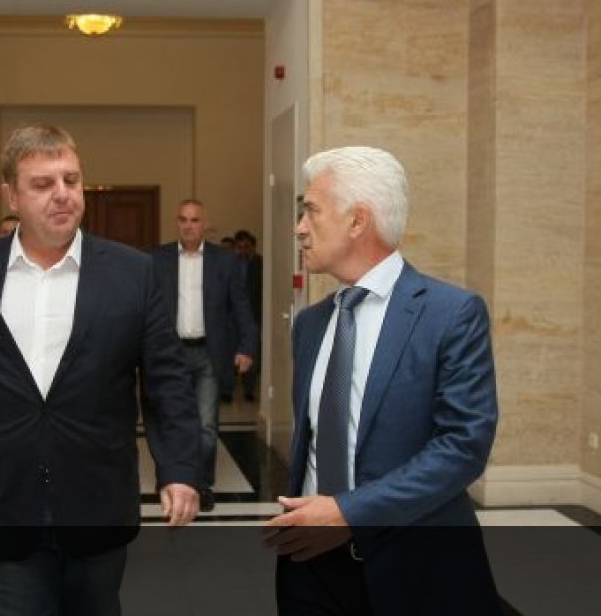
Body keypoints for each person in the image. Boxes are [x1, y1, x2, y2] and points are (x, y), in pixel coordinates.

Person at [0, 124, 200, 616]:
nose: (62, 194)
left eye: (71, 180)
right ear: (11, 196)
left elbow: (167, 380)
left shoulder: (133, 273)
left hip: (96, 504)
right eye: (43, 184)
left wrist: (179, 469)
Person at [264, 147, 500, 615]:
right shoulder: (309, 325)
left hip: (413, 572)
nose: (299, 228)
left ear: (358, 221)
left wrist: (349, 513)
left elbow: (463, 447)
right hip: (309, 571)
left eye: (311, 211)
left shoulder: (451, 315)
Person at [150, 199, 257, 511]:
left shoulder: (225, 261)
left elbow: (240, 306)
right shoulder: (157, 260)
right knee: (169, 422)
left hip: (209, 354)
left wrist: (247, 347)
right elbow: (147, 308)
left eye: (195, 220)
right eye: (183, 219)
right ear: (177, 222)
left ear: (204, 224)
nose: (188, 225)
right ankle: (171, 480)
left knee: (206, 427)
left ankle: (201, 484)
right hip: (170, 355)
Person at [234, 230, 263, 402]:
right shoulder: (231, 263)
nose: (243, 251)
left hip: (253, 315)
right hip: (232, 316)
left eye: (246, 247)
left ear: (253, 247)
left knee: (252, 351)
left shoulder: (260, 264)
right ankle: (227, 388)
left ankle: (249, 389)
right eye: (239, 247)